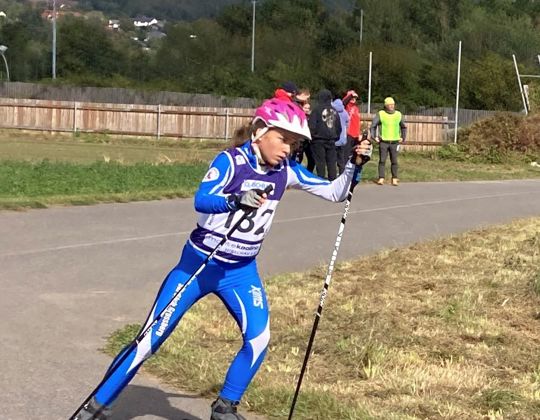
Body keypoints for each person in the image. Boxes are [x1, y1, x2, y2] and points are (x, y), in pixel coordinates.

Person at [74, 98, 371, 420]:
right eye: (283, 139)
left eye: (294, 143)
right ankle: (96, 407)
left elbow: (335, 192)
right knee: (149, 340)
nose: (288, 149)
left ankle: (225, 407)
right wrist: (234, 200)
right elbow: (202, 200)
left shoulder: (286, 170)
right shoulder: (231, 161)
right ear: (260, 131)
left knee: (259, 339)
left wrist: (355, 164)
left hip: (241, 271)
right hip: (198, 266)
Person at [370, 97, 407, 186]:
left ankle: (394, 178)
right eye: (389, 105)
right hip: (384, 142)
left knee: (394, 161)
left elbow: (403, 126)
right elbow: (373, 126)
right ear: (386, 105)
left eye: (393, 104)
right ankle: (381, 178)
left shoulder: (398, 114)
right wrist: (374, 136)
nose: (391, 106)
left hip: (395, 142)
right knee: (382, 160)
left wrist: (403, 137)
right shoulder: (381, 114)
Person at [308, 89, 341, 180]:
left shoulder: (316, 110)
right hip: (331, 140)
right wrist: (336, 136)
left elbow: (312, 125)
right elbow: (338, 127)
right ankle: (332, 180)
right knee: (331, 162)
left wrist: (313, 136)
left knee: (320, 162)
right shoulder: (335, 111)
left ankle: (321, 180)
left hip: (318, 140)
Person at [342, 90, 362, 171]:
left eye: (355, 98)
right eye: (352, 97)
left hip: (356, 134)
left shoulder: (356, 108)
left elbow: (357, 122)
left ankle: (351, 170)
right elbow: (344, 102)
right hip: (348, 133)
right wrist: (350, 95)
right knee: (346, 154)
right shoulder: (346, 106)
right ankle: (343, 171)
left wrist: (359, 133)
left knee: (354, 154)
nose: (353, 99)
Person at [331, 96, 350, 175]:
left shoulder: (332, 111)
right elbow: (347, 124)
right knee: (341, 159)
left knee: (332, 159)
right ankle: (342, 174)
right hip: (342, 139)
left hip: (334, 139)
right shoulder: (345, 112)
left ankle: (333, 175)